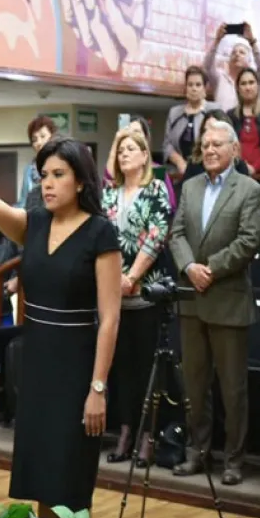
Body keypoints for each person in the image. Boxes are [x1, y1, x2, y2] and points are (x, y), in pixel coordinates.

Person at [0, 136, 121, 514]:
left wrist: (98, 387)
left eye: (58, 174)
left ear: (80, 181)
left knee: (71, 485)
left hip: (77, 369)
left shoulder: (100, 232)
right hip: (38, 364)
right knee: (42, 479)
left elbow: (110, 318)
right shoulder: (34, 225)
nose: (47, 182)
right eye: (43, 174)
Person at [169, 121, 260, 486]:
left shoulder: (250, 189)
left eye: (216, 144)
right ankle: (198, 453)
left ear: (234, 150)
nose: (208, 149)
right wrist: (189, 266)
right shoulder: (190, 186)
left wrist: (210, 268)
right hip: (192, 300)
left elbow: (249, 240)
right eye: (205, 144)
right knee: (194, 385)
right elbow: (176, 234)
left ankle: (234, 460)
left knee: (232, 389)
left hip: (227, 301)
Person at [102, 131, 172, 467]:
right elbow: (102, 237)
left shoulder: (156, 189)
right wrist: (115, 278)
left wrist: (132, 277)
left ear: (145, 156)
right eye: (120, 150)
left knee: (146, 370)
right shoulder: (109, 194)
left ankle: (148, 438)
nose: (125, 154)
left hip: (144, 296)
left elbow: (156, 235)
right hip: (115, 297)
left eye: (131, 149)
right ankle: (126, 432)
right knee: (122, 371)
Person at [104, 114, 176, 211]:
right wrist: (117, 140)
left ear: (146, 139)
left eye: (137, 132)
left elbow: (170, 206)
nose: (132, 136)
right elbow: (108, 179)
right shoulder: (123, 168)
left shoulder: (158, 172)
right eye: (128, 132)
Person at [162, 65, 218, 179]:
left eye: (198, 85)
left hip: (207, 174)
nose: (194, 88)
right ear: (186, 87)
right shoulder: (174, 112)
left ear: (205, 88)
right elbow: (167, 145)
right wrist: (179, 162)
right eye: (190, 85)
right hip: (178, 173)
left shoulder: (215, 110)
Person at [18, 116, 57, 208]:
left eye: (43, 136)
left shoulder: (64, 164)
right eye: (34, 139)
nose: (39, 143)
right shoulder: (29, 170)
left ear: (53, 137)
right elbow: (24, 201)